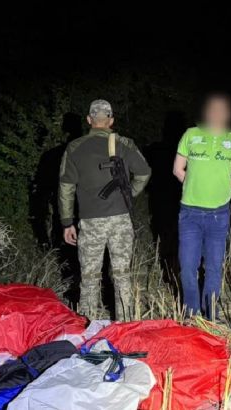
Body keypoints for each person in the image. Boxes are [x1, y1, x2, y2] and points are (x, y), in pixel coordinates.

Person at [58, 99, 151, 320]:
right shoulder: (124, 143)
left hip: (90, 222)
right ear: (111, 120)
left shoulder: (74, 148)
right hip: (120, 219)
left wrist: (67, 222)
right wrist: (130, 193)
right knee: (122, 275)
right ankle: (125, 325)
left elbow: (66, 187)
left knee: (89, 277)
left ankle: (87, 325)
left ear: (89, 120)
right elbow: (144, 172)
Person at [173, 93, 231, 318]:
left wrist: (222, 186)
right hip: (189, 213)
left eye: (221, 110)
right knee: (188, 267)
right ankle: (191, 314)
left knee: (214, 267)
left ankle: (211, 315)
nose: (216, 114)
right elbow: (177, 169)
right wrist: (193, 184)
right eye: (212, 109)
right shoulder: (191, 135)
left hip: (218, 215)